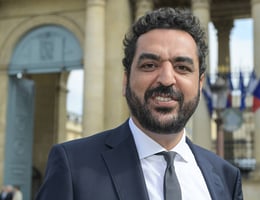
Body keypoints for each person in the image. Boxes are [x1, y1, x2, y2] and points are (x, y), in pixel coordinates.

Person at [35, 7, 243, 200]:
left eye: (182, 67)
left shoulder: (226, 178)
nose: (167, 78)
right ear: (125, 80)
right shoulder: (73, 165)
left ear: (200, 83)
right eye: (150, 65)